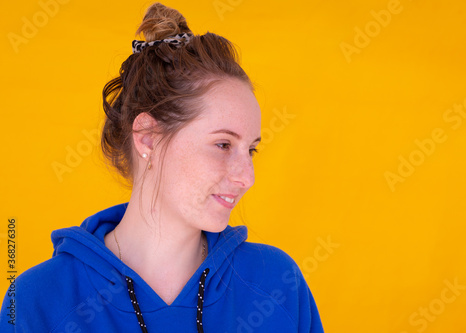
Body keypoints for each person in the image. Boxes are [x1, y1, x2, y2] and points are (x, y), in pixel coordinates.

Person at [0, 2, 324, 332]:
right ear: (148, 138)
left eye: (251, 150)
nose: (247, 177)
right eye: (223, 144)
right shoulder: (36, 302)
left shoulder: (278, 285)